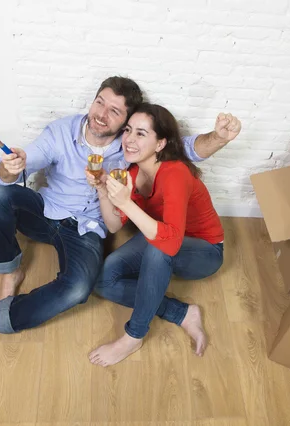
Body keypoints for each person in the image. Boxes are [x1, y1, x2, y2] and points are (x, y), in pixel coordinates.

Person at [0, 76, 241, 351]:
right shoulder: (82, 141)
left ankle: (1, 317)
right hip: (49, 211)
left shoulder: (139, 156)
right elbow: (24, 164)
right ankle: (9, 271)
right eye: (99, 103)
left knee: (83, 287)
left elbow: (186, 148)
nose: (102, 115)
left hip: (89, 228)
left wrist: (218, 138)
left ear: (126, 122)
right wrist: (11, 167)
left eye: (115, 112)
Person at [87, 103, 227, 367]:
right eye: (128, 130)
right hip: (160, 236)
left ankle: (134, 335)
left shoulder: (175, 173)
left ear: (161, 143)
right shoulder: (134, 173)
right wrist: (104, 191)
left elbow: (171, 242)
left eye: (141, 134)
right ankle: (182, 313)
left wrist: (126, 202)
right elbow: (115, 226)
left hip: (205, 251)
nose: (128, 139)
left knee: (159, 248)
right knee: (102, 281)